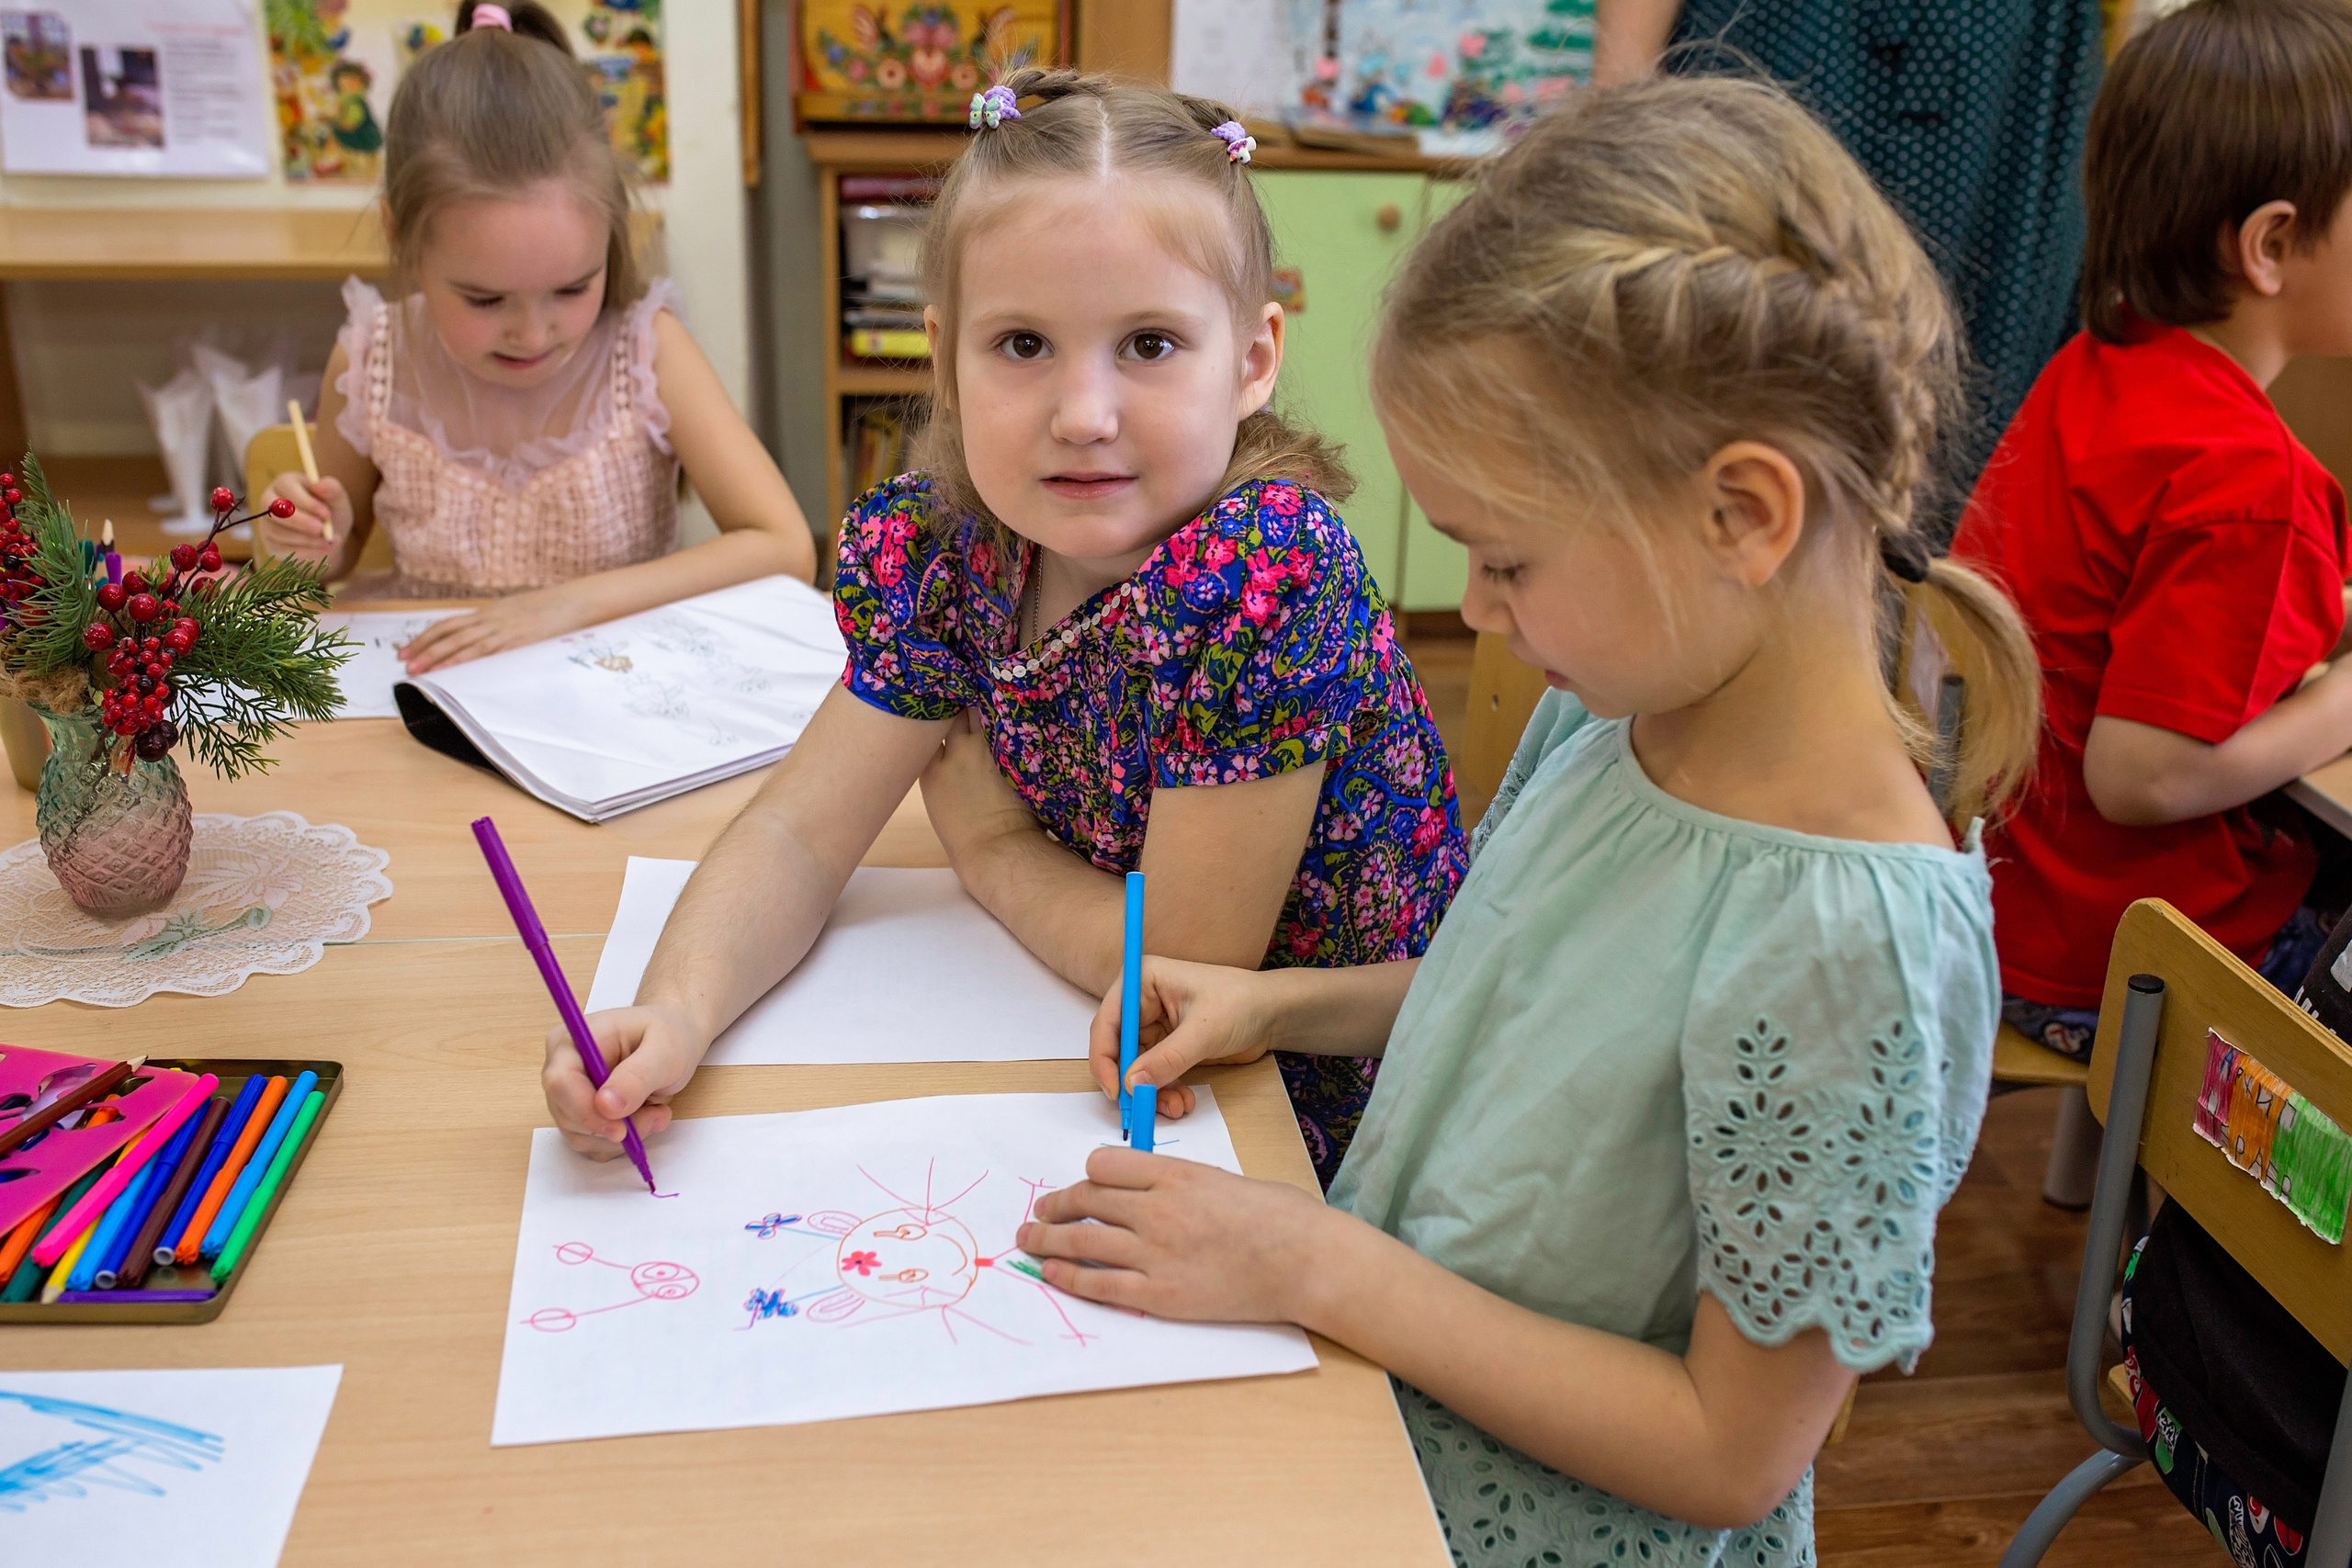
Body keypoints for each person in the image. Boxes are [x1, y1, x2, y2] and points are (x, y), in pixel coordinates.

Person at [1012, 75, 2037, 1566]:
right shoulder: (1623, 709)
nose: (1477, 612)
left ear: (1741, 516)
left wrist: (1314, 1264)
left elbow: (1730, 1451)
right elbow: (1530, 986)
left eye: (1505, 559)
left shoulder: (1848, 942)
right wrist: (1276, 1002)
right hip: (1378, 1442)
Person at [541, 70, 1466, 1188]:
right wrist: (675, 1009)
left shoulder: (1267, 570)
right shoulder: (948, 550)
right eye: (1023, 345)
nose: (1083, 415)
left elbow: (1174, 978)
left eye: (1149, 345)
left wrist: (992, 851)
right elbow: (797, 836)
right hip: (1106, 1047)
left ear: (1253, 360)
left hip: (1319, 1105)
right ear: (944, 358)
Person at [1951, 0, 2352, 1062]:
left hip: (2005, 914)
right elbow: (2143, 778)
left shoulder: (2096, 368)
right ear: (2271, 244)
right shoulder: (2251, 479)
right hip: (2127, 966)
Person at [257, 0, 816, 673]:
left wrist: (569, 605)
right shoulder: (375, 356)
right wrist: (314, 541)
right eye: (485, 299)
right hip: (430, 691)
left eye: (572, 289)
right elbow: (332, 559)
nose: (531, 333)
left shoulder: (646, 352)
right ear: (400, 235)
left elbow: (784, 545)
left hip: (615, 687)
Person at [1594, 0, 2106, 547]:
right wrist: (1615, 120)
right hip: (1800, 41)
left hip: (2008, 73)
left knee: (1983, 433)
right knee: (1736, 394)